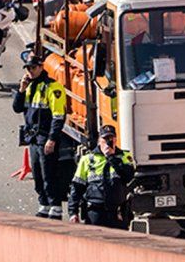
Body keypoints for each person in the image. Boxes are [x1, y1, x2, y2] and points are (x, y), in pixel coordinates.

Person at [12, 54, 69, 219]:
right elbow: (17, 108)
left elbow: (59, 116)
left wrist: (52, 139)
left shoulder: (53, 88)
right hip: (33, 138)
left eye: (33, 67)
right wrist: (21, 90)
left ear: (41, 67)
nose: (30, 71)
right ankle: (44, 203)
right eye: (27, 68)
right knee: (37, 173)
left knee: (49, 173)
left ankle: (55, 206)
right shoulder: (29, 86)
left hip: (45, 137)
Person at [68, 125, 135, 228]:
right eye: (105, 139)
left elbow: (128, 177)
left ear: (115, 139)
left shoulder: (124, 157)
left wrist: (112, 158)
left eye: (111, 138)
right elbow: (77, 187)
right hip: (95, 211)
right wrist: (73, 212)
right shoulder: (88, 159)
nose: (108, 142)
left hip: (117, 212)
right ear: (99, 140)